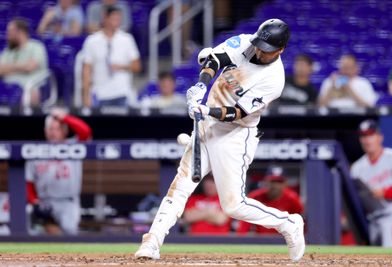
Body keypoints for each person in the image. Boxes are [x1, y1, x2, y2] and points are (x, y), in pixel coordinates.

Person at [135, 18, 305, 262]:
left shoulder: (274, 80)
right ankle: (152, 241)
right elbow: (215, 59)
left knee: (233, 206)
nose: (259, 51)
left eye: (267, 50)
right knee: (181, 185)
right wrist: (201, 87)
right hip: (208, 125)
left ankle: (288, 223)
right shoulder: (246, 43)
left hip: (236, 134)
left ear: (281, 50)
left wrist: (207, 111)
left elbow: (239, 113)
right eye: (259, 45)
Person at [25, 108, 92, 235]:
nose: (53, 133)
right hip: (45, 202)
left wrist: (65, 118)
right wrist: (34, 201)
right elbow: (29, 181)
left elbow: (85, 132)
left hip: (68, 202)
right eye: (50, 129)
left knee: (70, 235)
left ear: (65, 131)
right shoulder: (36, 150)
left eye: (57, 129)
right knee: (34, 236)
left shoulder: (73, 146)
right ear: (45, 131)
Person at [350, 119, 392, 247]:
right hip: (373, 217)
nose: (367, 140)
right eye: (363, 136)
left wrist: (386, 192)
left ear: (380, 137)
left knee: (388, 229)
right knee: (373, 248)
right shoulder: (357, 167)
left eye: (370, 135)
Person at [82, 5, 142, 107]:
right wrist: (86, 96)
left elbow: (137, 66)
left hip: (122, 93)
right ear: (105, 18)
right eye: (114, 19)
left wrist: (122, 67)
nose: (117, 22)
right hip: (100, 94)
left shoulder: (127, 39)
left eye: (119, 19)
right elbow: (86, 71)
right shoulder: (92, 41)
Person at [236, 167, 304, 235]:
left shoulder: (293, 199)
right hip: (260, 240)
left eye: (279, 182)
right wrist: (241, 239)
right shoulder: (254, 197)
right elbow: (244, 224)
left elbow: (300, 224)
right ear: (265, 182)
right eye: (272, 181)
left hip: (284, 240)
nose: (275, 185)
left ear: (285, 183)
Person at [0, 18, 49, 107]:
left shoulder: (36, 47)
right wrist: (21, 66)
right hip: (7, 87)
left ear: (20, 32)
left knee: (31, 94)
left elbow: (29, 68)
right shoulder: (8, 51)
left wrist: (8, 68)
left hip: (28, 86)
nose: (7, 36)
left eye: (10, 32)